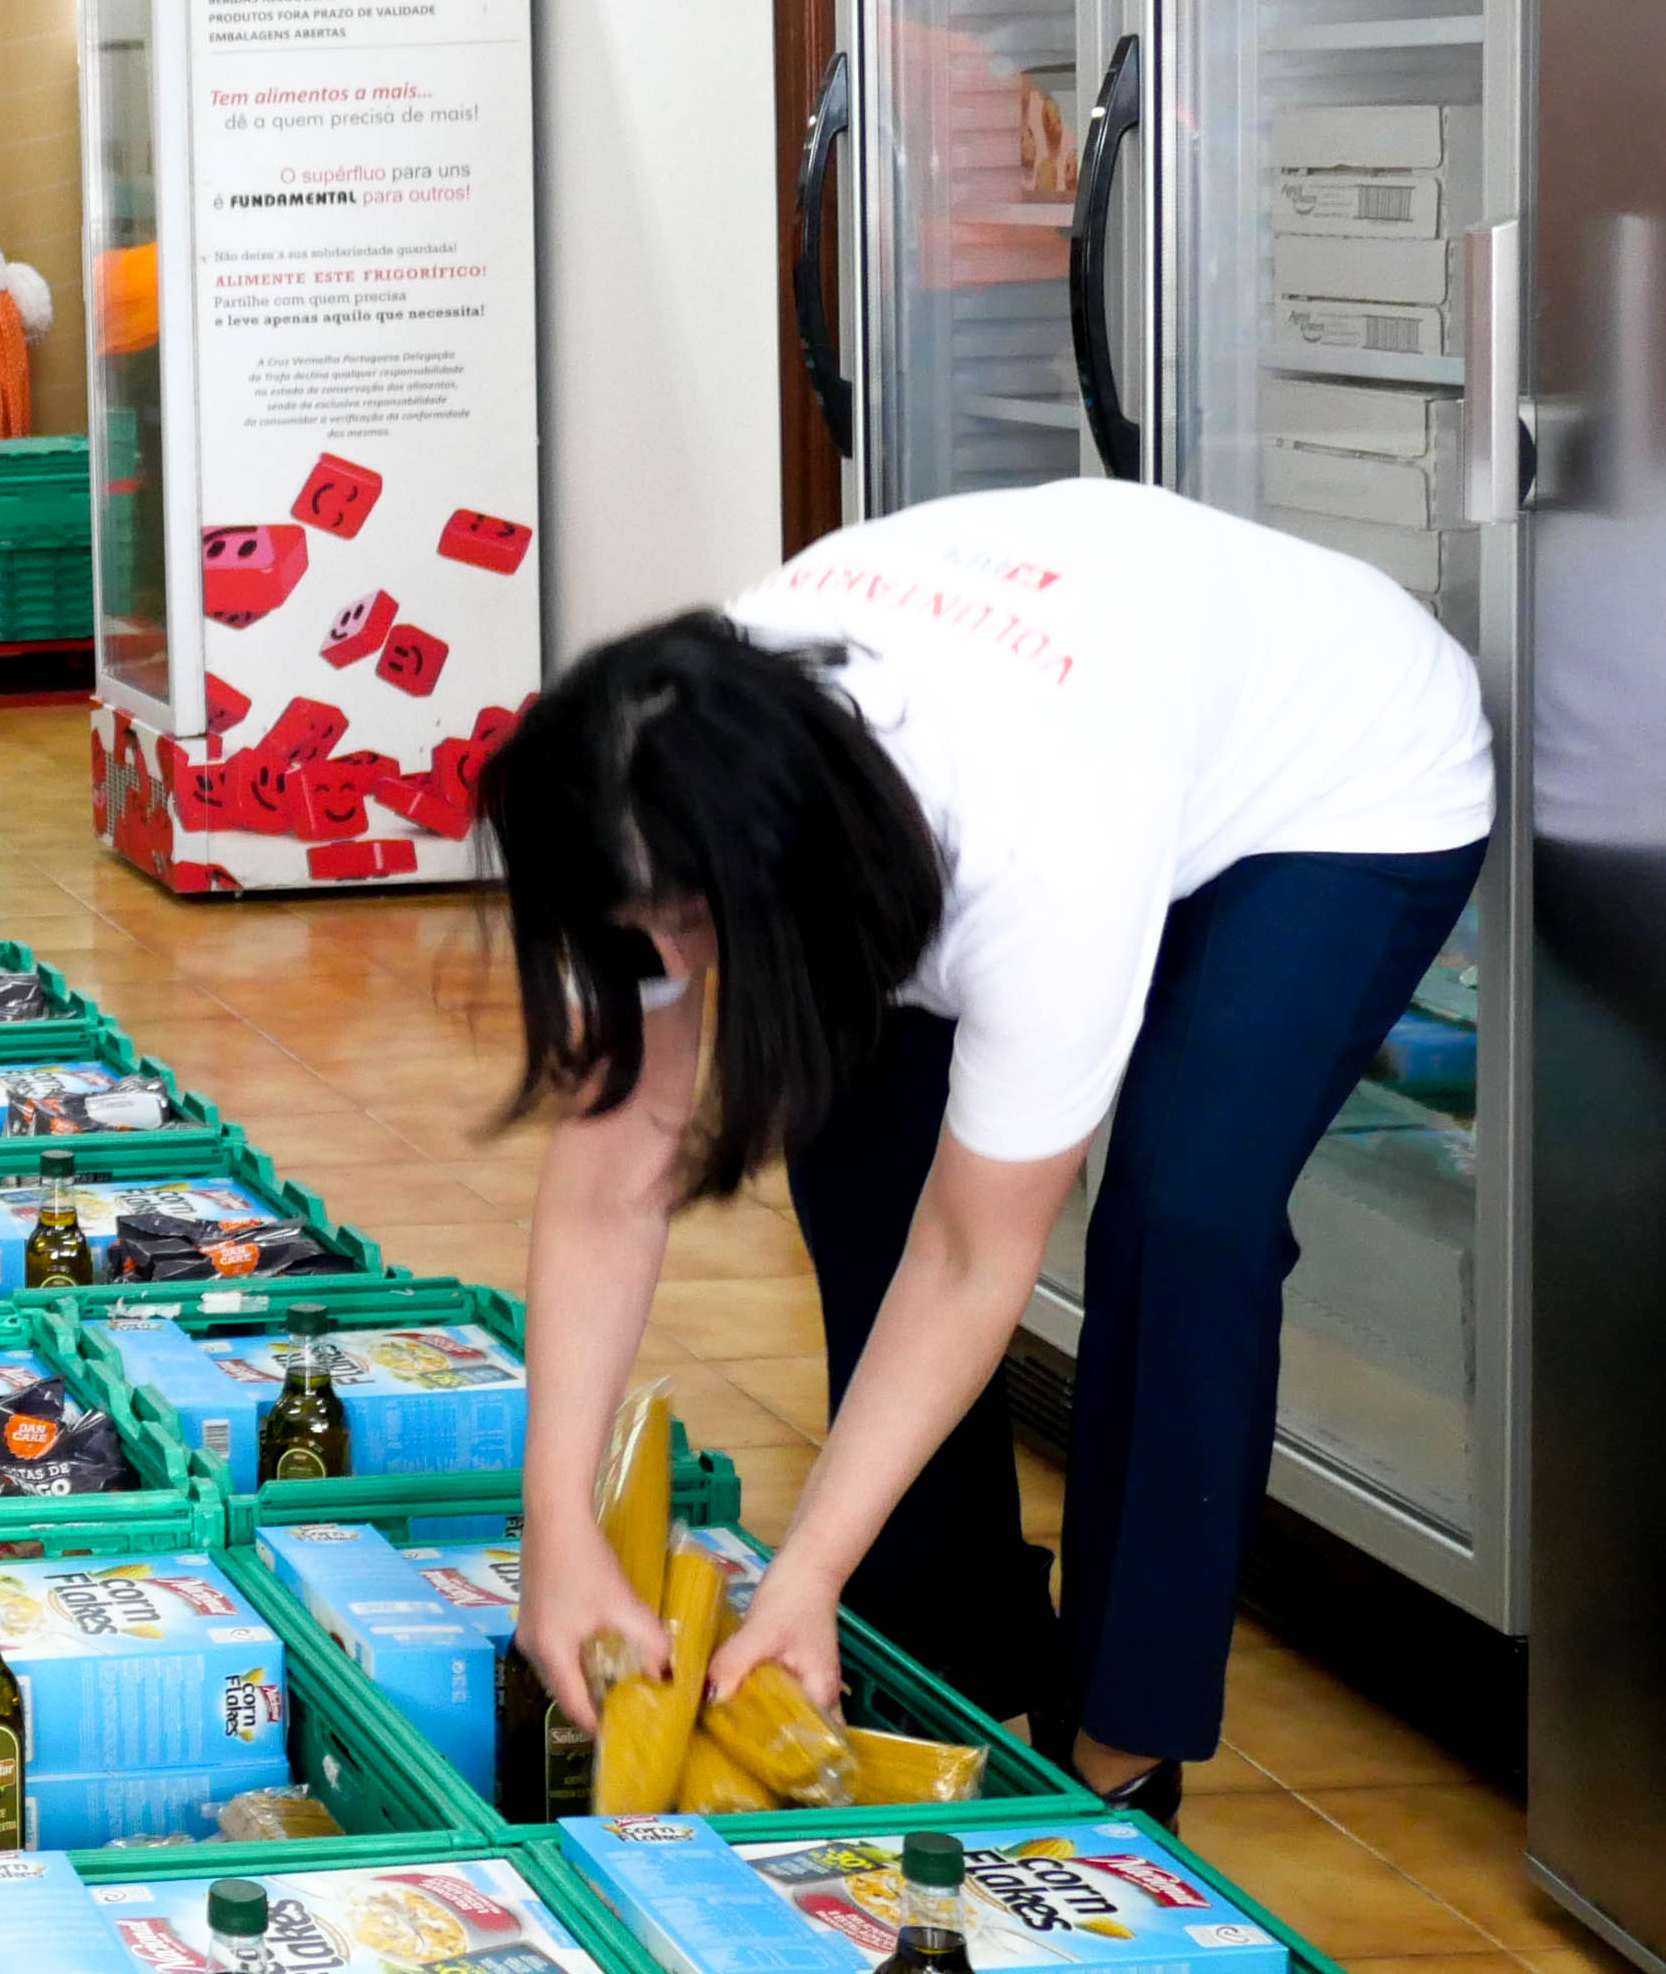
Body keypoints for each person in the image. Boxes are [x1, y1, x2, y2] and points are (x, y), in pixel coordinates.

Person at [487, 480, 1493, 1824]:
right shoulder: (641, 781)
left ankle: (1119, 1749)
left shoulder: (1034, 850)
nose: (664, 963)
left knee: (1184, 1216)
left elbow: (973, 1255)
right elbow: (611, 1179)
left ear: (783, 874)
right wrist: (555, 1527)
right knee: (859, 1165)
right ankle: (936, 1659)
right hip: (1100, 695)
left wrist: (802, 1568)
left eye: (684, 927)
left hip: (1336, 774)